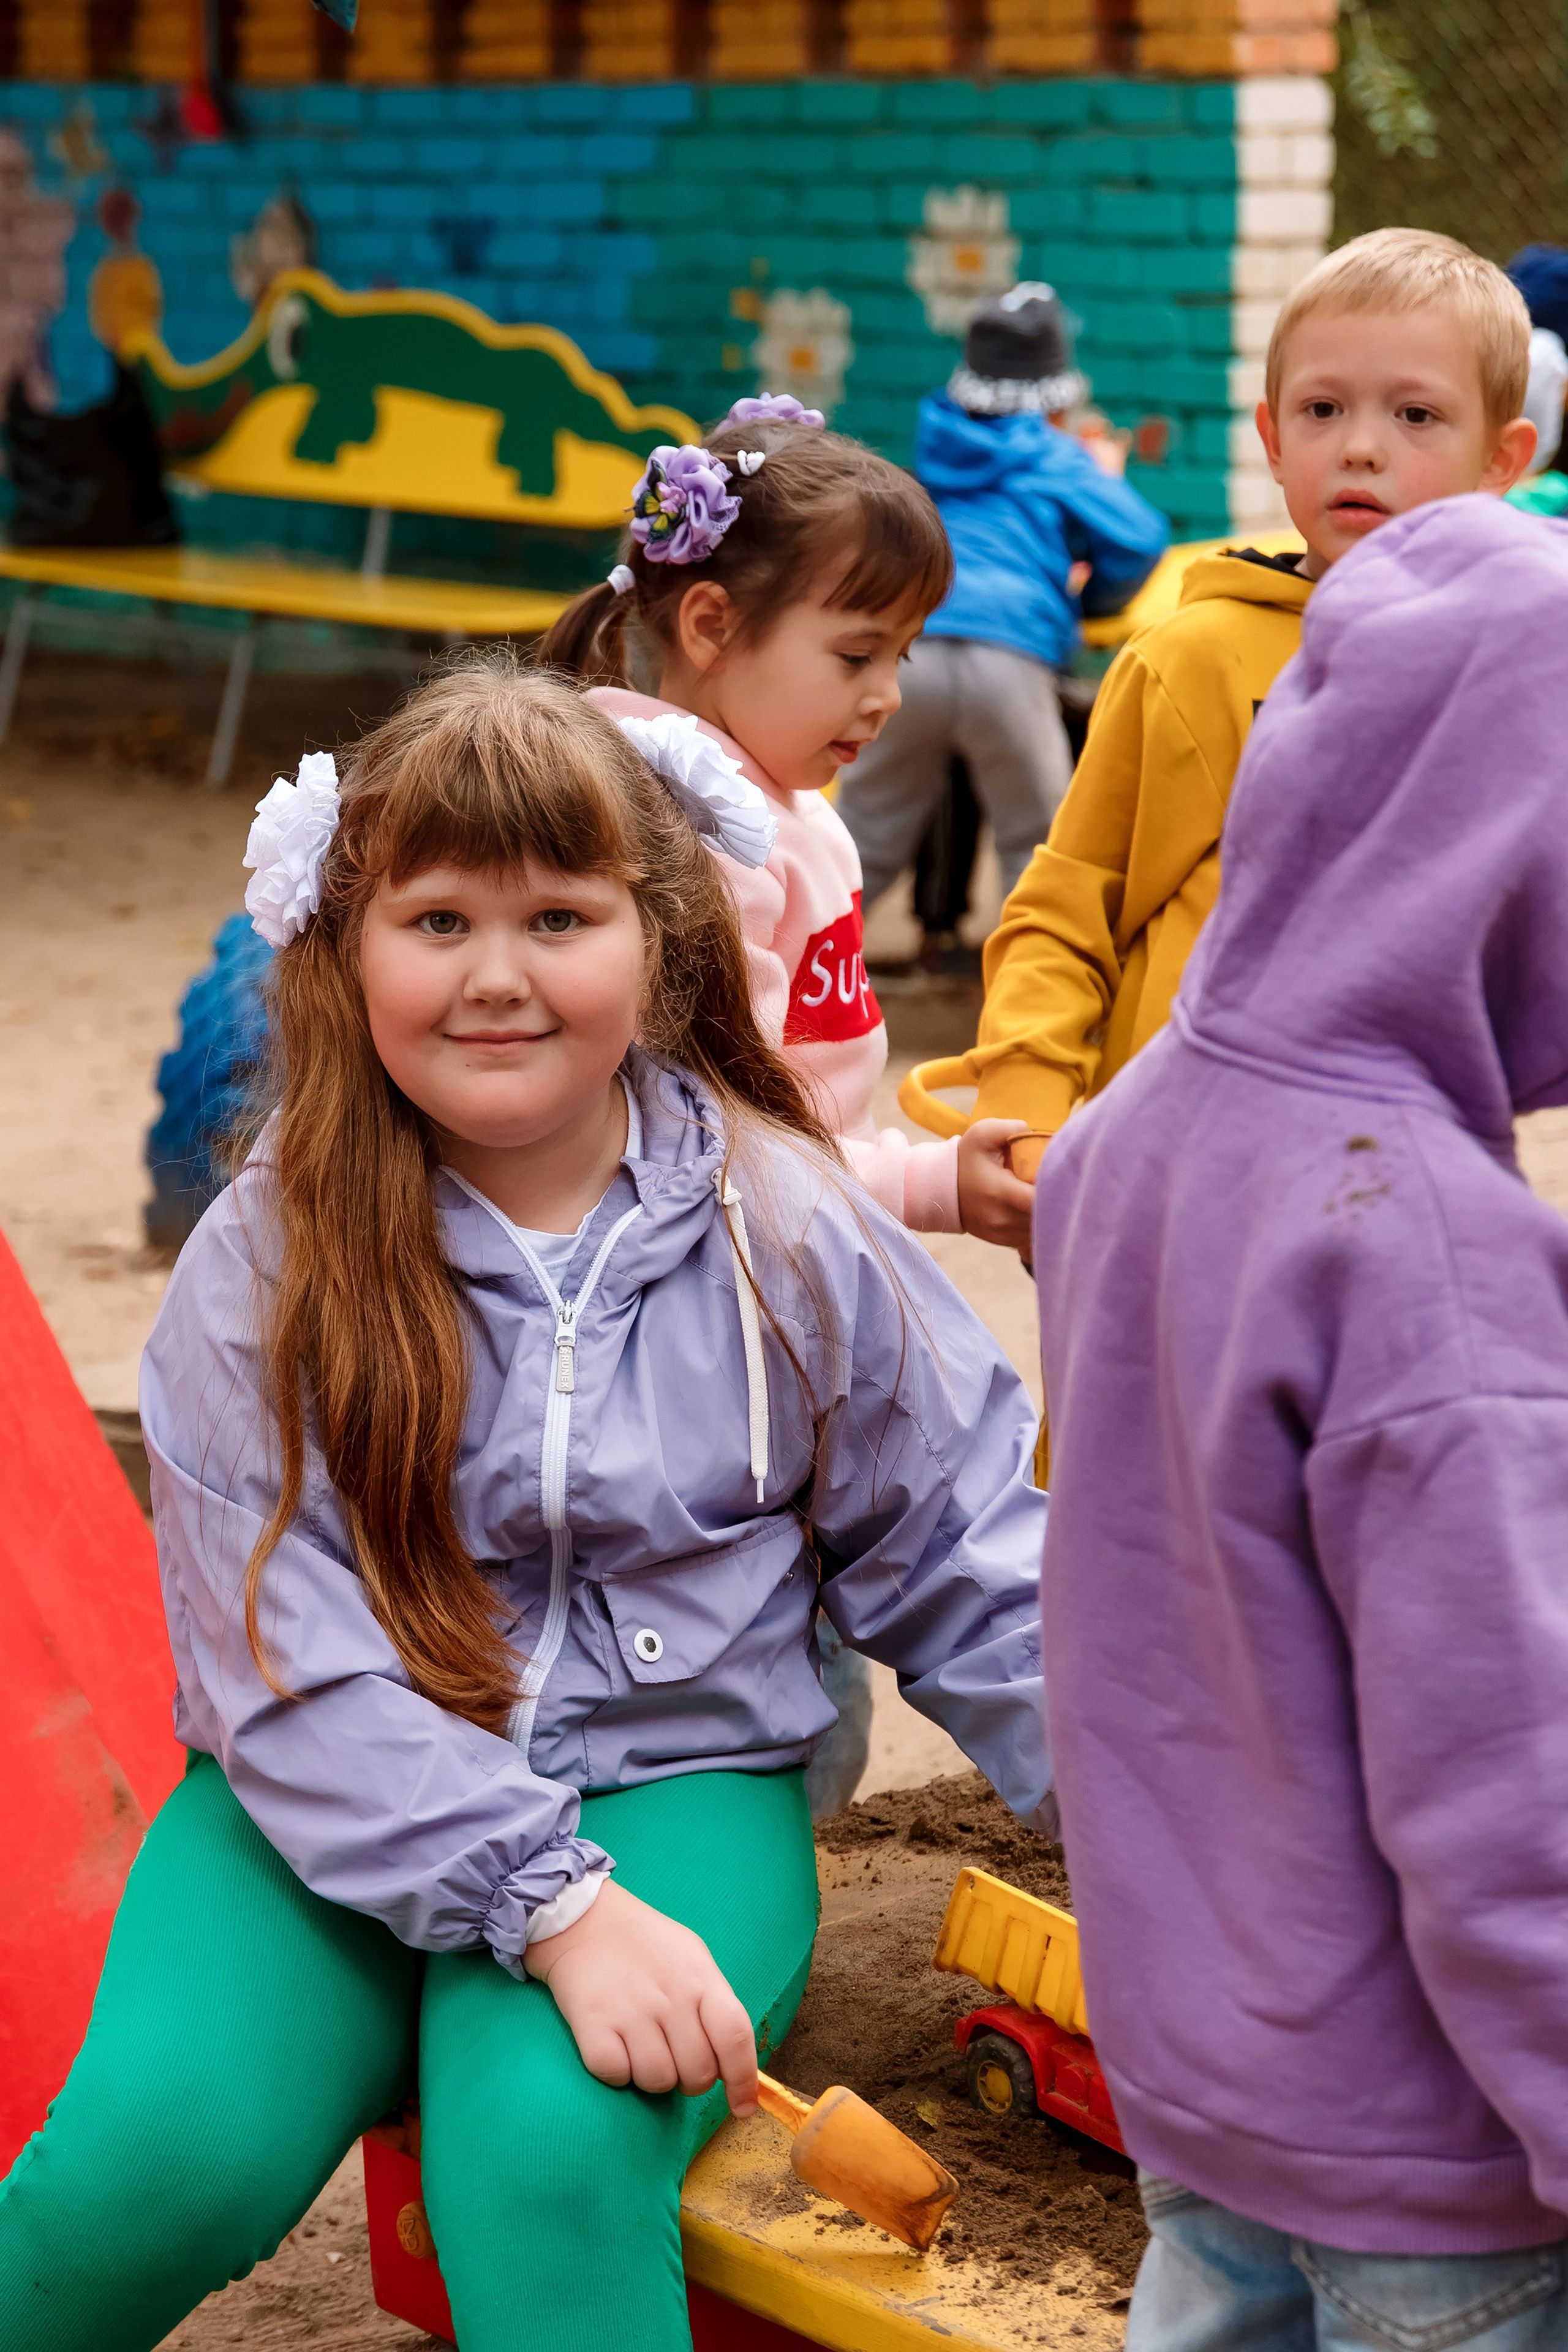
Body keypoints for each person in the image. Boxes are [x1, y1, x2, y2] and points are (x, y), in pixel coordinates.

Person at [0, 663, 1053, 2352]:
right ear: (348, 947)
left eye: (559, 916)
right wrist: (547, 1903)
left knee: (549, 2153)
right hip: (321, 1788)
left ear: (660, 939)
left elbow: (970, 1560)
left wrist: (1166, 1832)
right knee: (148, 2163)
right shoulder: (265, 1260)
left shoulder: (786, 1227)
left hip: (675, 1774)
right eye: (437, 920)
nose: (498, 975)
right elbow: (284, 1664)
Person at [1032, 492, 1568, 2348]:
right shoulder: (1430, 1252)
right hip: (1444, 2162)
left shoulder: (1131, 1129)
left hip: (1199, 2075)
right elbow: (1507, 1788)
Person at [907, 228, 1538, 1259]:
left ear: (1501, 460)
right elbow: (1069, 909)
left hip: (1399, 1197)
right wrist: (1026, 1120)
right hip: (1168, 1183)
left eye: (1415, 414)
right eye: (1323, 409)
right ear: (1274, 438)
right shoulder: (1188, 660)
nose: (1361, 446)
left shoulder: (1507, 677)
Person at [538, 396, 1030, 1254]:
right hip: (730, 1257)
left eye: (899, 656)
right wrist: (923, 1182)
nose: (889, 697)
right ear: (712, 626)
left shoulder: (765, 802)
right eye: (855, 656)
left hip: (794, 1223)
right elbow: (718, 1135)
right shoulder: (699, 844)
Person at [834, 282, 1169, 916]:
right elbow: (1141, 537)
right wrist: (1092, 602)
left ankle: (776, 980)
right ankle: (1035, 1006)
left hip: (912, 655)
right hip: (1010, 664)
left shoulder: (937, 445)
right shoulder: (1057, 458)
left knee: (862, 843)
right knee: (1038, 848)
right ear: (1056, 397)